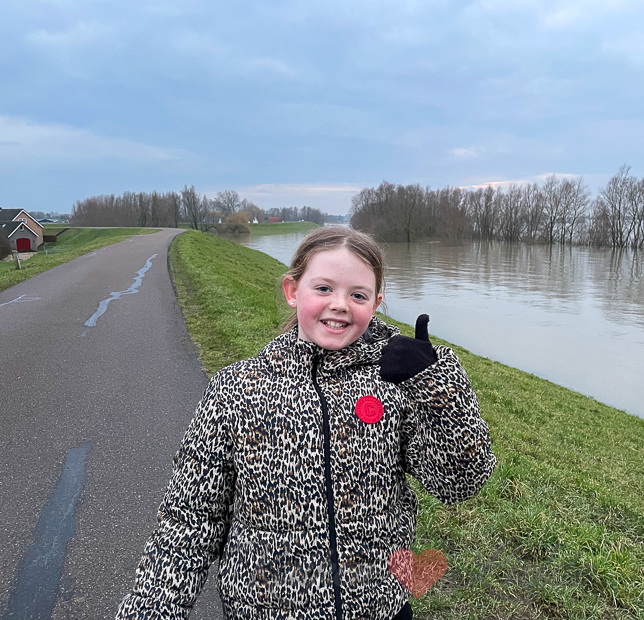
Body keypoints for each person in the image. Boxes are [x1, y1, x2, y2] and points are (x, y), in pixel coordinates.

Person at [116, 226, 496, 620]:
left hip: (380, 610)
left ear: (377, 303)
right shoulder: (235, 389)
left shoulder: (396, 386)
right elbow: (189, 523)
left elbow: (458, 483)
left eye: (358, 295)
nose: (340, 305)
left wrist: (437, 386)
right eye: (324, 289)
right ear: (292, 290)